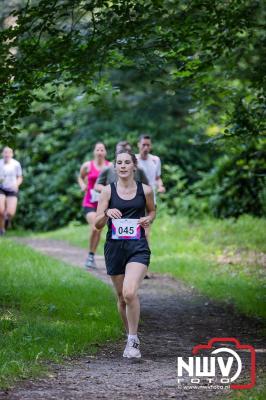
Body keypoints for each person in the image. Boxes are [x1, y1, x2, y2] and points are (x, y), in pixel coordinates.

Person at [95, 150, 156, 358]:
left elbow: (152, 211)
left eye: (126, 162)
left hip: (137, 247)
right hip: (114, 248)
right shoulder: (107, 191)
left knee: (130, 292)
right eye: (119, 162)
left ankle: (132, 340)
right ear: (115, 167)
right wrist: (106, 213)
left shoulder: (145, 190)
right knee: (121, 298)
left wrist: (149, 219)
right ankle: (131, 336)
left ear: (134, 166)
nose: (122, 166)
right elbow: (96, 223)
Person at [78, 142, 111, 268]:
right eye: (97, 149)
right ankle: (91, 257)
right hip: (90, 202)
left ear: (105, 152)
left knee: (99, 229)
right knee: (95, 227)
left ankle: (91, 256)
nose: (100, 152)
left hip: (104, 204)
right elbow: (80, 177)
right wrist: (82, 185)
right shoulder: (87, 165)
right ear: (94, 152)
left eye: (102, 150)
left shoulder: (110, 166)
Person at [0, 146, 23, 235]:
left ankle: (5, 222)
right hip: (1, 188)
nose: (7, 154)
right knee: (0, 210)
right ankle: (1, 230)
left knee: (10, 213)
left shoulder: (16, 164)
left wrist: (16, 184)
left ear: (12, 154)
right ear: (2, 153)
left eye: (9, 152)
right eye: (5, 152)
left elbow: (20, 177)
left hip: (12, 189)